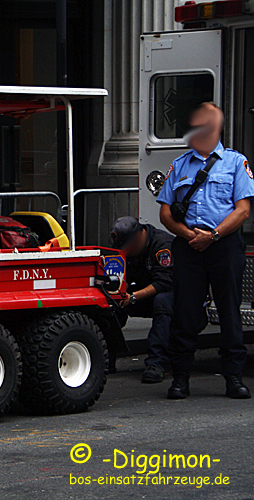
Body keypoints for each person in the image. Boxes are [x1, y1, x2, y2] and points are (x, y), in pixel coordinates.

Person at [157, 102, 253, 400]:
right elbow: (164, 213)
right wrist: (189, 235)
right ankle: (180, 379)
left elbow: (243, 211)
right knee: (184, 312)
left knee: (229, 311)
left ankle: (234, 378)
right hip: (188, 247)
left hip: (224, 246)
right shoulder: (180, 164)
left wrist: (212, 235)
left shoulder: (236, 162)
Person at [109, 216, 174, 383]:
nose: (127, 252)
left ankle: (156, 363)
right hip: (141, 294)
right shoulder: (126, 248)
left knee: (162, 301)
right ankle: (106, 359)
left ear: (139, 236)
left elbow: (163, 283)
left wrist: (132, 297)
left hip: (174, 297)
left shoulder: (163, 245)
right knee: (111, 305)